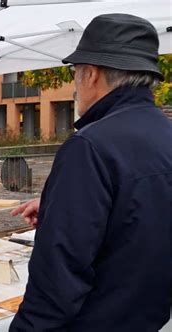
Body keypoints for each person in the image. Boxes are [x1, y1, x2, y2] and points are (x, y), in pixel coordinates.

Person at [10, 13, 172, 331]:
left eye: (76, 74)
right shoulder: (166, 135)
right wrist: (62, 207)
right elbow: (145, 215)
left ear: (92, 75)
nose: (75, 85)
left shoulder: (90, 146)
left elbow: (58, 277)